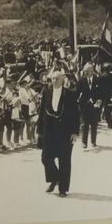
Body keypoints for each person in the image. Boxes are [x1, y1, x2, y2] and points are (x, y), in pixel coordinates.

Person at [36, 70, 80, 198]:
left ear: (63, 80)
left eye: (57, 79)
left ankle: (63, 189)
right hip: (49, 132)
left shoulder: (70, 95)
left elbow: (76, 115)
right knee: (45, 158)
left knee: (64, 161)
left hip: (65, 132)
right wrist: (39, 131)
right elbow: (42, 113)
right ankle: (55, 178)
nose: (55, 81)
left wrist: (75, 132)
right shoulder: (47, 93)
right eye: (53, 79)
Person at [77, 63, 105, 149]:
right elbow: (77, 93)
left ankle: (93, 141)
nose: (86, 73)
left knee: (94, 124)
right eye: (85, 71)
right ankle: (84, 142)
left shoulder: (98, 80)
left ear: (92, 71)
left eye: (88, 71)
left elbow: (102, 93)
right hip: (84, 106)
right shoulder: (81, 81)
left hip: (95, 106)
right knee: (85, 125)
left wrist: (99, 101)